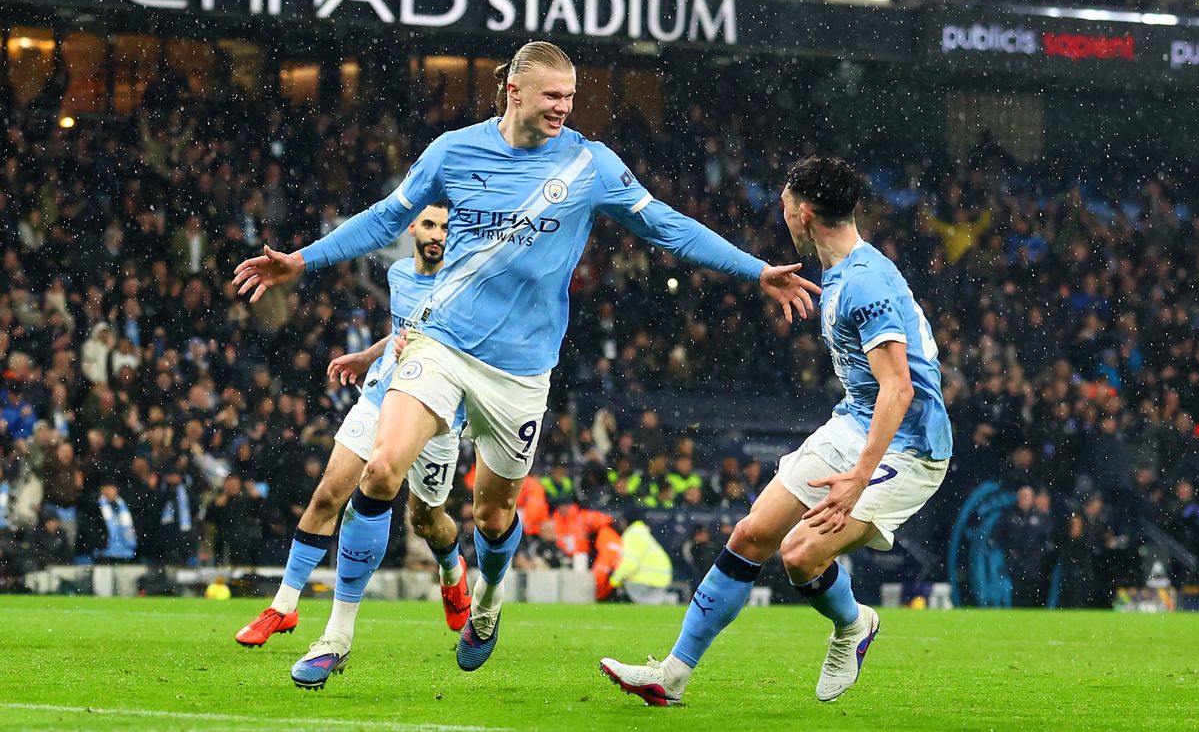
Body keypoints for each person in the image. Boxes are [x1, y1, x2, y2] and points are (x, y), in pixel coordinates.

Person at [233, 40, 819, 674]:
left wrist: (755, 270)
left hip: (521, 371)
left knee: (493, 514)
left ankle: (486, 598)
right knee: (379, 471)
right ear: (514, 91)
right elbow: (384, 220)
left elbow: (666, 225)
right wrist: (301, 260)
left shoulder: (590, 165)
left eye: (570, 97)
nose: (564, 108)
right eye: (552, 96)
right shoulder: (454, 151)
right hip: (443, 342)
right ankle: (336, 637)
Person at [600, 155, 952, 705]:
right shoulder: (840, 273)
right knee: (750, 537)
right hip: (855, 423)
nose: (782, 214)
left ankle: (854, 625)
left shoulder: (864, 283)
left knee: (800, 554)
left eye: (786, 205)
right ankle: (671, 676)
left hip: (909, 447)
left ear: (805, 213)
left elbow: (899, 389)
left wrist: (859, 478)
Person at [233, 206, 470, 690]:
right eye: (428, 225)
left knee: (427, 520)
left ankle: (451, 568)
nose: (437, 235)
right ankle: (284, 607)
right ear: (413, 229)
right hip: (383, 392)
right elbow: (406, 328)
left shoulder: (468, 281)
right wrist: (369, 356)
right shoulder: (400, 273)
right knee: (328, 494)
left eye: (446, 227)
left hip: (439, 411)